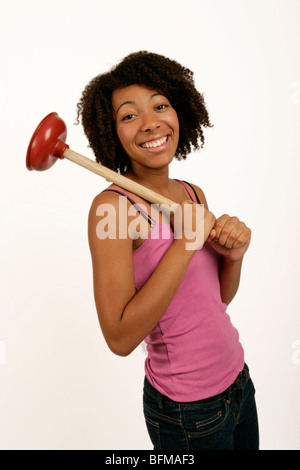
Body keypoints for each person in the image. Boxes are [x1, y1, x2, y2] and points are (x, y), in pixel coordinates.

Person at [76, 51, 259, 450]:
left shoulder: (192, 194)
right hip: (187, 412)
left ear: (180, 111)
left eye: (160, 105)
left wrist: (235, 255)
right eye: (128, 115)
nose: (150, 123)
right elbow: (120, 338)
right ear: (111, 132)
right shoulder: (113, 209)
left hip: (239, 382)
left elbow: (217, 299)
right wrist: (185, 244)